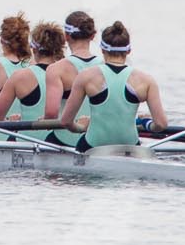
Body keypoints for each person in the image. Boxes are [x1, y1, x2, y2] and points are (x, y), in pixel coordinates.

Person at [53, 20, 167, 152]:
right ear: (128, 50)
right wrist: (147, 124)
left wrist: (81, 128)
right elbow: (161, 124)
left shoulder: (86, 77)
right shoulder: (146, 80)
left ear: (102, 49)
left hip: (93, 146)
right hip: (130, 147)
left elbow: (66, 122)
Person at [0, 21, 67, 126]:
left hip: (28, 139)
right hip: (61, 140)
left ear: (33, 48)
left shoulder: (19, 77)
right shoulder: (70, 74)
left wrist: (12, 123)